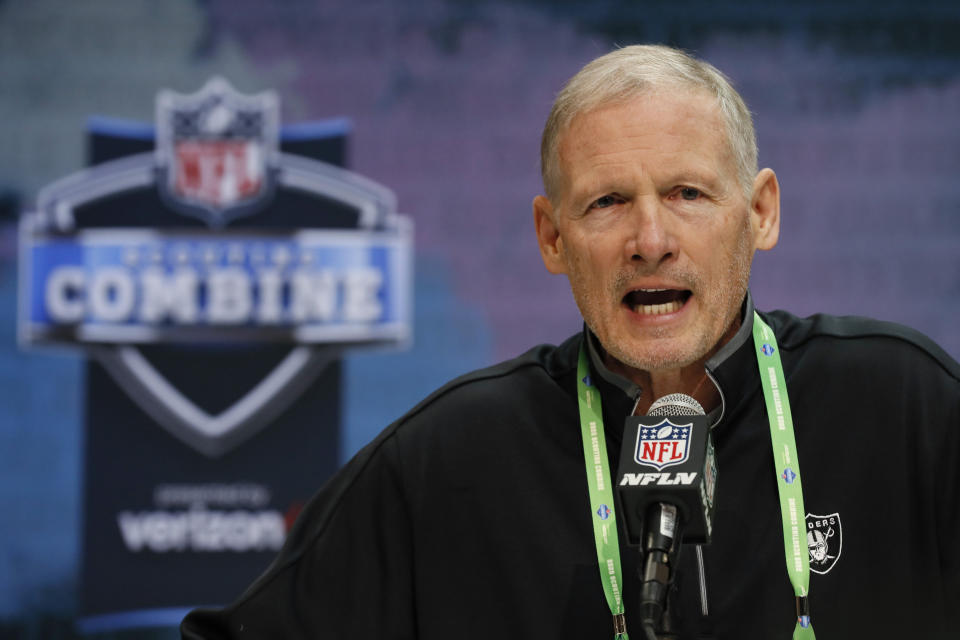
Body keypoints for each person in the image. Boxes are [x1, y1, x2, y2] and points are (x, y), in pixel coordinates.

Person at [181, 45, 960, 639]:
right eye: (608, 202)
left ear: (760, 213)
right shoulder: (453, 455)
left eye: (688, 193)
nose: (650, 239)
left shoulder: (900, 403)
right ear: (552, 238)